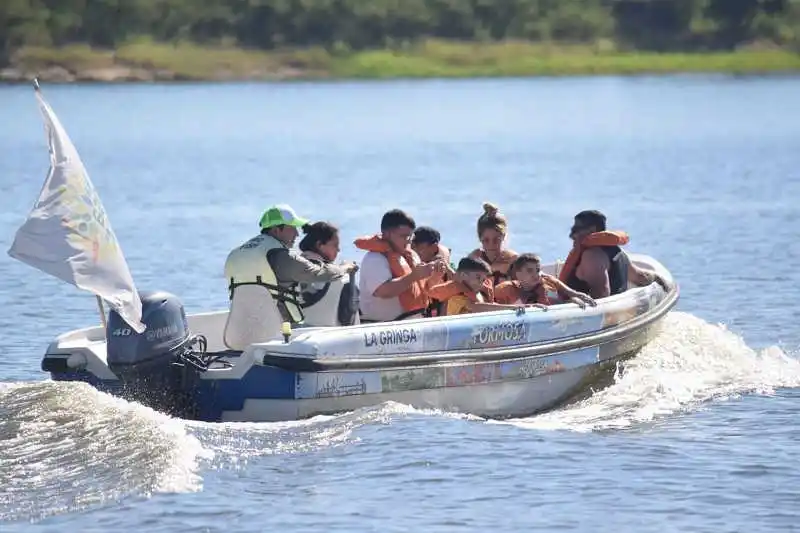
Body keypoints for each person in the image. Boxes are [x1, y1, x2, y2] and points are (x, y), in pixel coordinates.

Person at [223, 204, 357, 331]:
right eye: (292, 228)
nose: (297, 234)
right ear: (277, 230)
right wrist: (344, 268)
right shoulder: (282, 256)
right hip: (280, 331)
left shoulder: (237, 254)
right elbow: (320, 274)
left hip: (242, 329)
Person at [354, 209, 445, 322]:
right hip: (383, 329)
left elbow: (423, 289)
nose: (408, 241)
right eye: (403, 236)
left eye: (410, 237)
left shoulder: (412, 255)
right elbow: (383, 291)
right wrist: (414, 276)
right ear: (387, 234)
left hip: (413, 324)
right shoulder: (374, 259)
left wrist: (435, 276)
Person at [557, 210, 662, 299]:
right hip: (619, 308)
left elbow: (602, 294)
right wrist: (656, 278)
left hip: (597, 319)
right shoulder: (617, 252)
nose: (572, 234)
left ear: (592, 230)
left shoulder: (592, 257)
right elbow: (640, 277)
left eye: (577, 229)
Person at [428, 256, 546, 316]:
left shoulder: (478, 293)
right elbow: (476, 307)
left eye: (484, 279)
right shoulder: (457, 296)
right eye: (478, 278)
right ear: (463, 275)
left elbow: (491, 306)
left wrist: (529, 306)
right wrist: (513, 308)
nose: (481, 283)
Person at [297, 221, 360, 326]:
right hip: (330, 337)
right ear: (319, 245)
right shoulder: (337, 277)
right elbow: (347, 319)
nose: (339, 250)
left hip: (293, 334)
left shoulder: (290, 267)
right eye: (335, 245)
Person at [494, 253, 596, 308]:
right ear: (518, 274)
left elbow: (561, 303)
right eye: (530, 271)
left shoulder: (548, 285)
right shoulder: (505, 289)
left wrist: (571, 301)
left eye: (538, 270)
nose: (536, 274)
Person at [468, 202, 518, 286]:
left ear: (503, 236)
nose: (491, 245)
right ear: (480, 238)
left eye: (496, 240)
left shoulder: (512, 259)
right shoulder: (474, 258)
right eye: (486, 240)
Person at [411, 225, 455, 317]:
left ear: (434, 248)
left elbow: (451, 292)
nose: (413, 252)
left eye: (418, 248)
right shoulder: (411, 264)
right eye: (412, 247)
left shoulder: (443, 268)